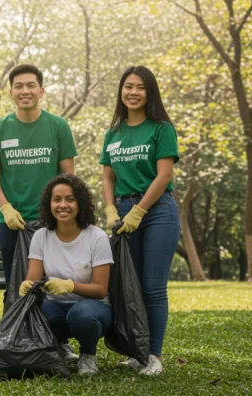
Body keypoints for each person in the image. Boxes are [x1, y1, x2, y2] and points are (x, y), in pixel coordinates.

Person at [100, 65, 180, 376]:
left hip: (158, 211)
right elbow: (108, 176)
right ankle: (137, 353)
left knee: (152, 287)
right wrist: (111, 209)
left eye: (141, 87)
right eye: (128, 86)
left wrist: (140, 211)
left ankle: (154, 355)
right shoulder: (113, 132)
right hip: (123, 211)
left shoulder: (161, 128)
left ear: (150, 93)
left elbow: (164, 176)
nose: (133, 92)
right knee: (129, 286)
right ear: (121, 91)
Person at [0, 64, 78, 303]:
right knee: (14, 284)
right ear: (11, 92)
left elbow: (69, 178)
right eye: (19, 86)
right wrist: (6, 208)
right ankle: (14, 327)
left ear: (41, 91)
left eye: (31, 86)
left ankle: (51, 328)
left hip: (51, 222)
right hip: (12, 222)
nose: (25, 91)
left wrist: (63, 212)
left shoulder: (58, 126)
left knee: (49, 287)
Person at [18, 174, 114, 375]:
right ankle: (60, 347)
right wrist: (28, 285)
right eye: (57, 199)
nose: (63, 205)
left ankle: (88, 355)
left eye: (70, 199)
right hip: (55, 306)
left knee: (82, 315)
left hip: (93, 308)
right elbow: (33, 278)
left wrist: (70, 286)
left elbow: (100, 289)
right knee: (38, 310)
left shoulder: (96, 237)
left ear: (80, 203)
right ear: (49, 204)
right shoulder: (41, 236)